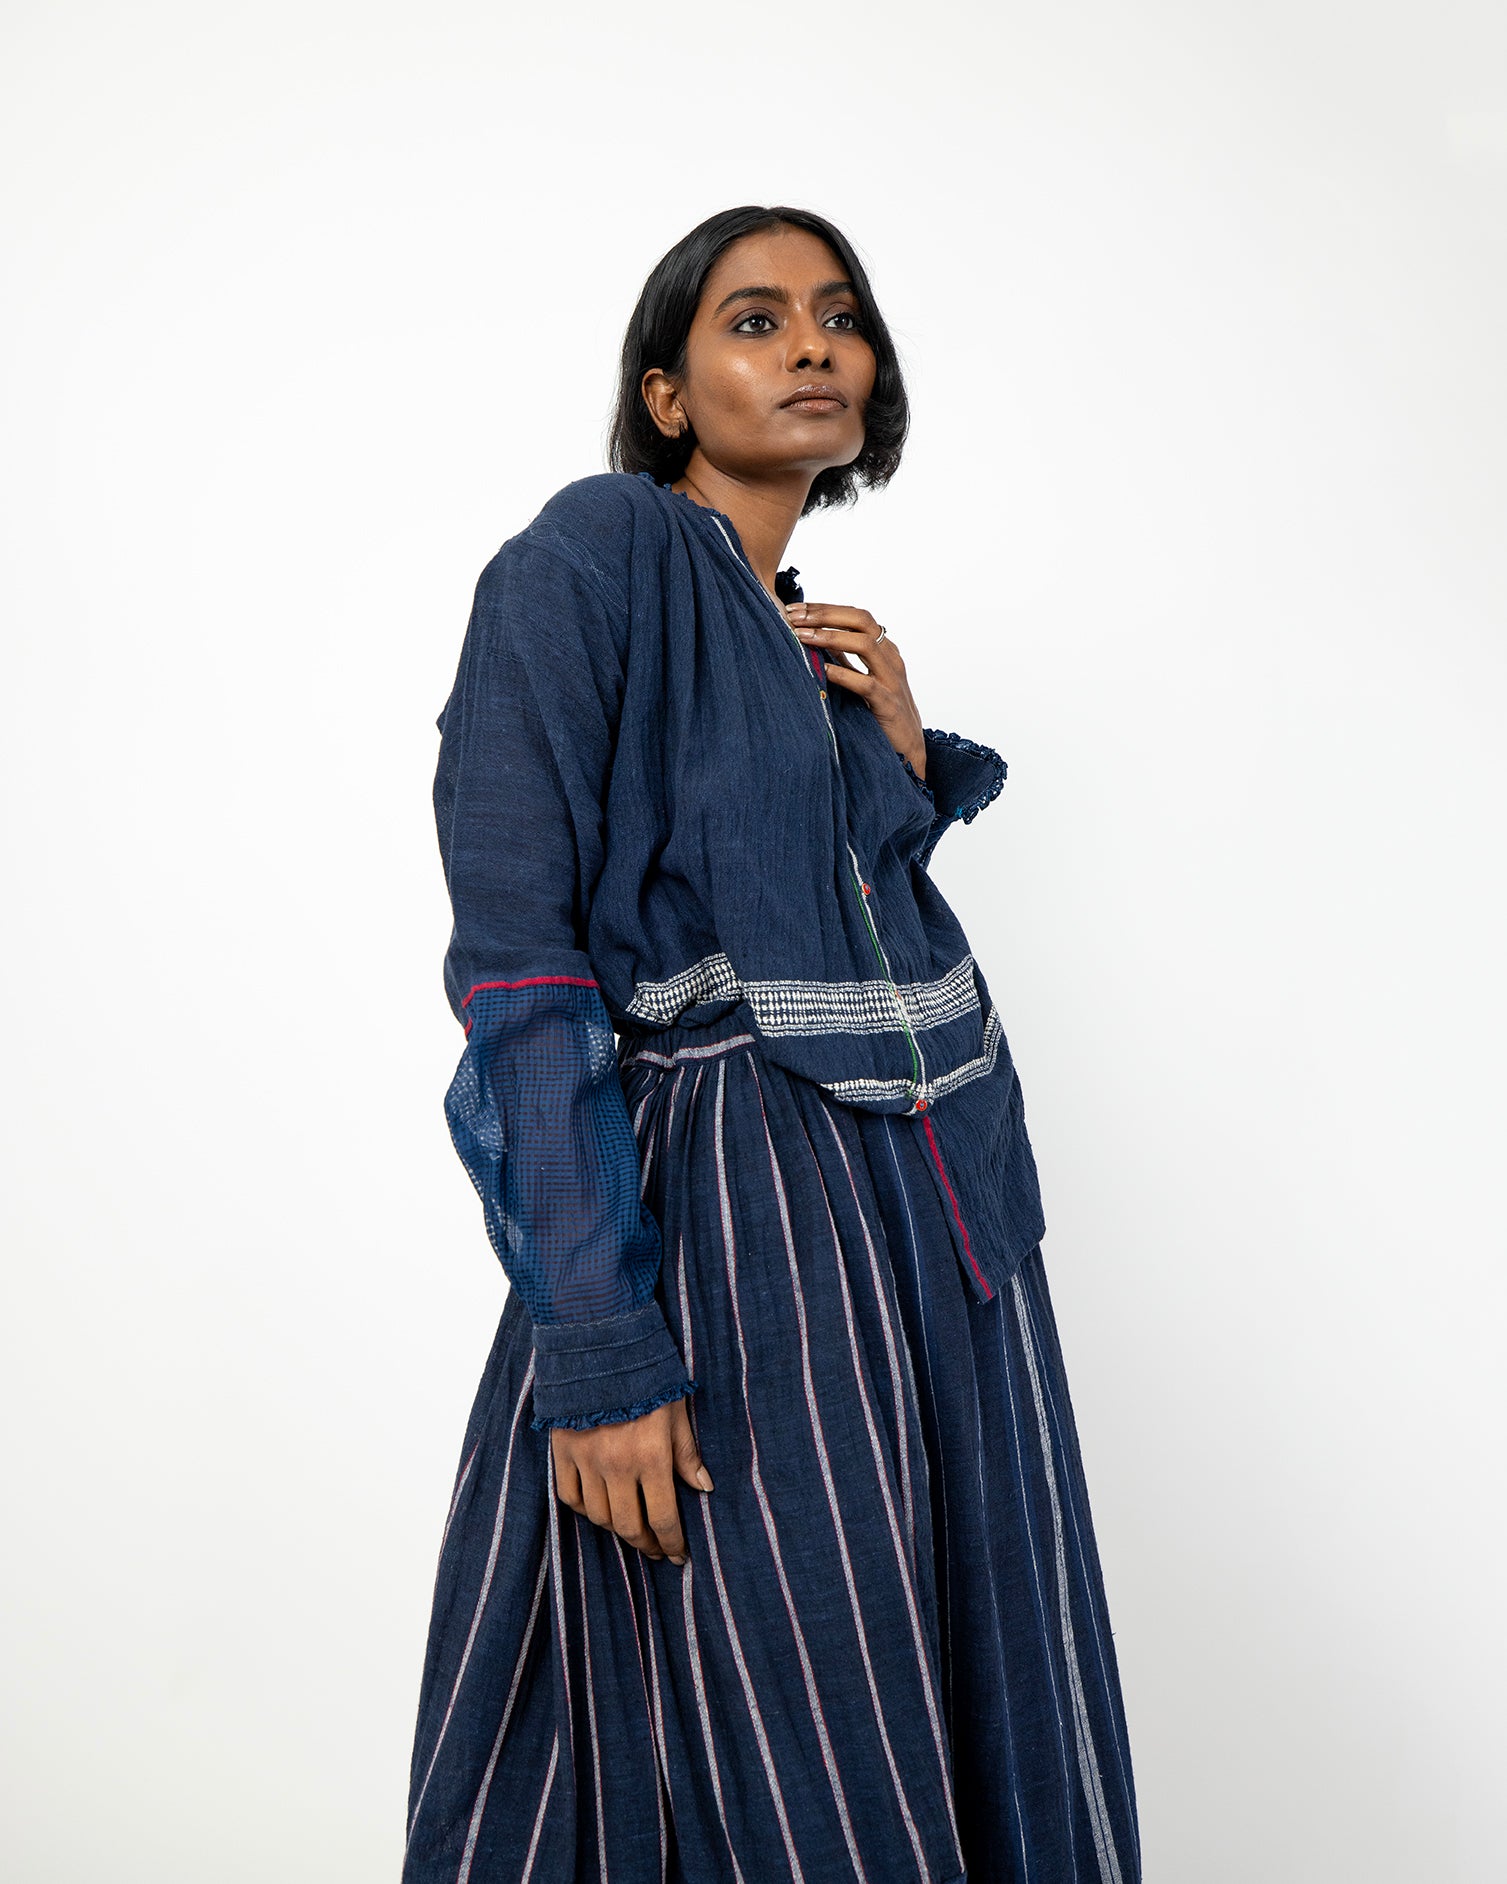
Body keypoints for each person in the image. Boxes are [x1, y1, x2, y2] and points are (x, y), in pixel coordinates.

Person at [401, 204, 1141, 1884]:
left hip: (938, 1230)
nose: (813, 344)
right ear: (665, 394)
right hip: (744, 1233)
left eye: (840, 315)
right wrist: (599, 1342)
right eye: (755, 319)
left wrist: (896, 757)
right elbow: (524, 973)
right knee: (785, 1707)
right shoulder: (593, 556)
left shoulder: (798, 631)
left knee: (952, 1677)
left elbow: (832, 928)